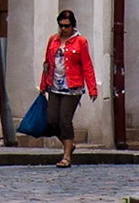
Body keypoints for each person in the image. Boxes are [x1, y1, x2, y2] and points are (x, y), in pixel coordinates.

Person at [39, 9, 98, 166]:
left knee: (65, 119)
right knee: (51, 120)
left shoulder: (81, 42)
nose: (64, 29)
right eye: (61, 26)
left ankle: (66, 157)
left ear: (73, 25)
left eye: (67, 26)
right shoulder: (53, 40)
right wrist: (43, 83)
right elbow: (47, 63)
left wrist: (92, 88)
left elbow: (87, 65)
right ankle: (69, 144)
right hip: (54, 85)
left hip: (72, 87)